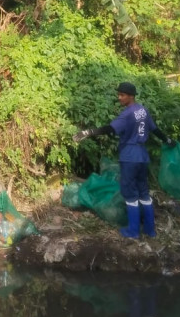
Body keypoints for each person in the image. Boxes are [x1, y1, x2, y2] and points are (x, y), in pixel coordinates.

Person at [72, 82, 172, 239]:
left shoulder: (128, 114)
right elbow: (155, 129)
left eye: (122, 95)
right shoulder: (143, 111)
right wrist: (167, 139)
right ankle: (150, 230)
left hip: (130, 157)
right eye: (118, 94)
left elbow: (111, 129)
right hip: (142, 156)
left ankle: (133, 231)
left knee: (130, 193)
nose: (119, 98)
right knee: (144, 192)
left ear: (131, 96)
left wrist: (89, 132)